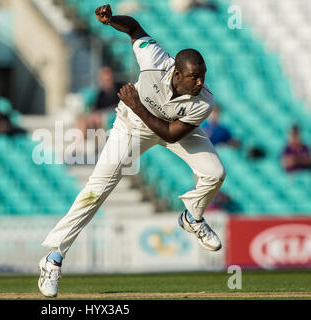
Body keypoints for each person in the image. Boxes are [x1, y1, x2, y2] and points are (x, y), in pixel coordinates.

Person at [38, 4, 226, 298]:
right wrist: (112, 20)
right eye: (194, 77)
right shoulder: (153, 59)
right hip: (132, 127)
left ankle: (193, 218)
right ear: (177, 73)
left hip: (172, 128)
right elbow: (135, 29)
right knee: (95, 191)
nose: (201, 83)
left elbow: (170, 135)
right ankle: (53, 259)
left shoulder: (203, 102)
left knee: (215, 173)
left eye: (202, 76)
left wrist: (137, 103)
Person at [76, 66, 125, 137]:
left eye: (108, 79)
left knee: (98, 119)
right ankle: (80, 143)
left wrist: (101, 113)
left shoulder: (120, 89)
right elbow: (95, 108)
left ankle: (98, 144)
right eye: (104, 80)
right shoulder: (100, 93)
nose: (106, 82)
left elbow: (121, 105)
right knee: (82, 119)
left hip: (112, 114)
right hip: (100, 116)